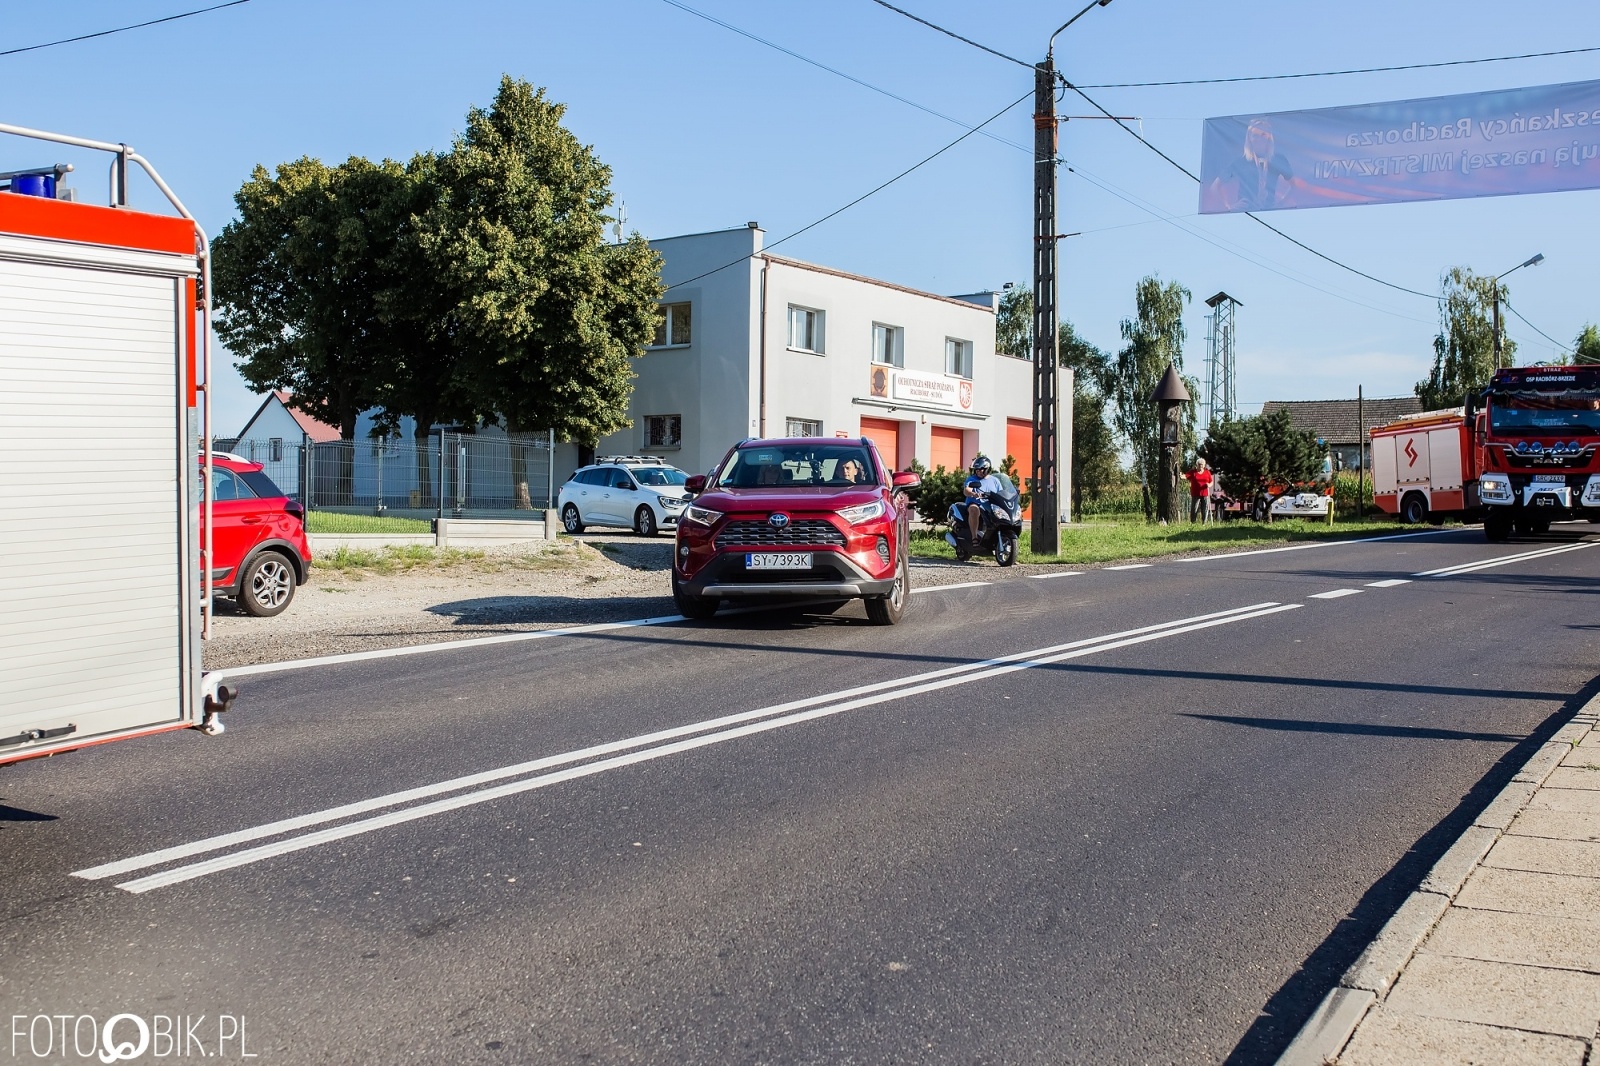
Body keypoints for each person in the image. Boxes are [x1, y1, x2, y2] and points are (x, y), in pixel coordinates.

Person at [960, 455, 1005, 545]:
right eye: (976, 470)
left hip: (990, 505)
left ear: (987, 469)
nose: (978, 471)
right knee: (974, 509)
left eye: (980, 469)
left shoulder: (995, 480)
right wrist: (974, 494)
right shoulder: (971, 479)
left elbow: (1001, 493)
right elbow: (966, 490)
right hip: (976, 503)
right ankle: (974, 538)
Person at [1187, 458, 1213, 523]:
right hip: (1196, 493)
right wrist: (1181, 476)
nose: (1200, 466)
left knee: (1205, 509)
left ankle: (1204, 523)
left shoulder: (1207, 472)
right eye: (1199, 465)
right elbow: (1186, 476)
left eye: (1202, 465)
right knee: (1194, 509)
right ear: (1197, 465)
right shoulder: (1193, 472)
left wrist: (1209, 485)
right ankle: (1193, 522)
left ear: (1204, 465)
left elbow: (1211, 482)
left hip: (1205, 493)